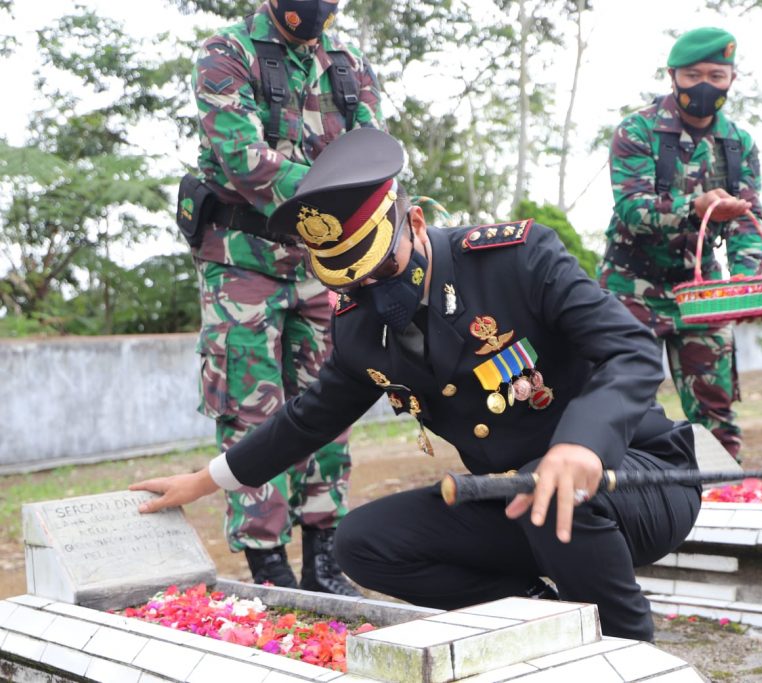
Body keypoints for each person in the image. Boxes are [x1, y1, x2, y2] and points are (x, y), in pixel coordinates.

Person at [136, 129, 702, 642]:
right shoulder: (360, 326)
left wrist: (580, 444)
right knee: (364, 542)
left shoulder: (516, 258)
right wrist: (205, 480)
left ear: (414, 222)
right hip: (517, 500)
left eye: (379, 268)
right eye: (349, 279)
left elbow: (630, 350)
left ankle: (631, 653)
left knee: (548, 490)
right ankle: (539, 617)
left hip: (637, 475)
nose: (372, 291)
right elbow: (309, 417)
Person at [182, 0, 385, 593]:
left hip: (326, 267)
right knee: (251, 413)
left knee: (330, 408)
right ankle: (268, 568)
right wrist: (337, 190)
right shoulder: (227, 54)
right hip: (243, 265)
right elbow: (246, 163)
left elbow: (372, 159)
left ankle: (326, 560)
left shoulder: (347, 67)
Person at [597, 27, 762, 461]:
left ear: (732, 78)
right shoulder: (637, 130)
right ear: (672, 76)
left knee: (715, 403)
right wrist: (696, 206)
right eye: (693, 75)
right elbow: (633, 208)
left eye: (716, 74)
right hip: (631, 285)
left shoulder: (739, 144)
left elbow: (749, 221)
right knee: (625, 400)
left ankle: (722, 496)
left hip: (701, 289)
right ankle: (631, 493)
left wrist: (747, 282)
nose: (705, 85)